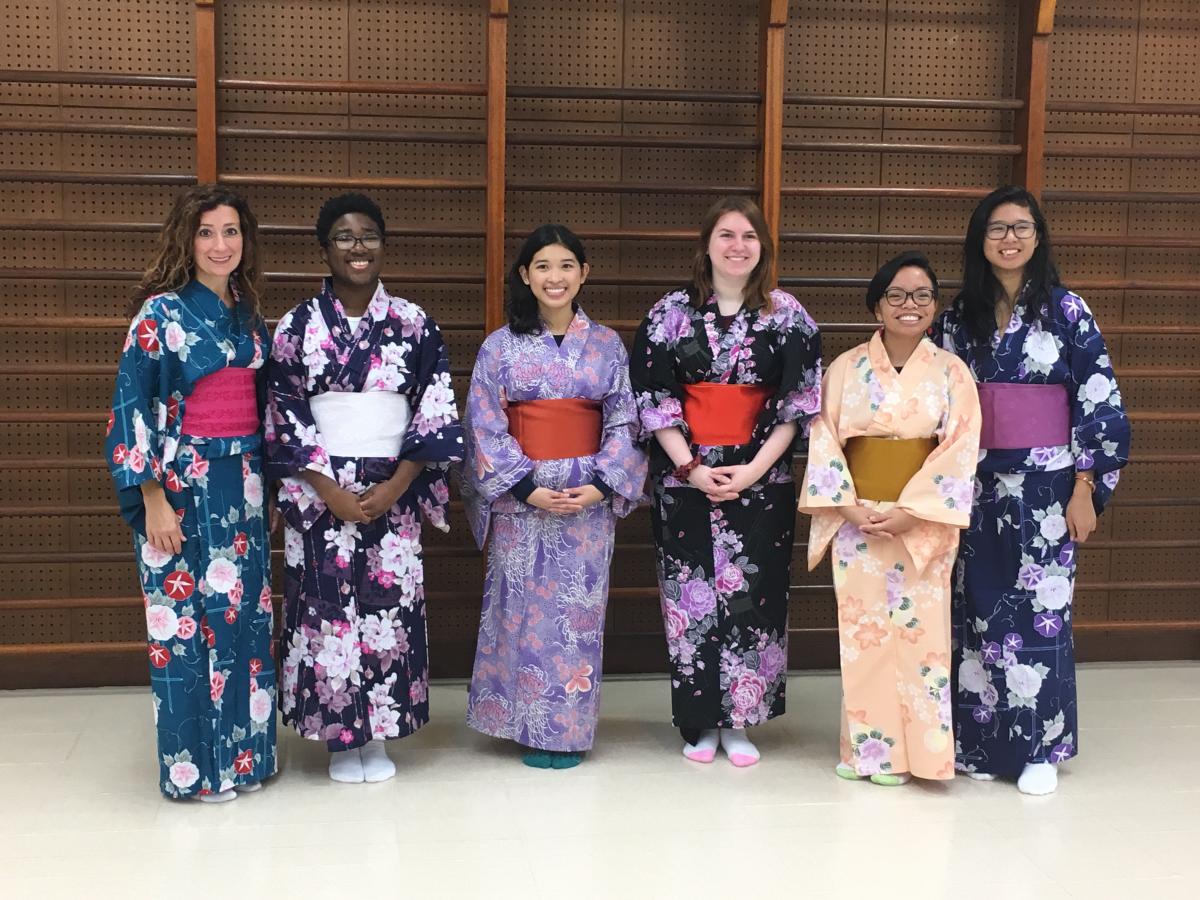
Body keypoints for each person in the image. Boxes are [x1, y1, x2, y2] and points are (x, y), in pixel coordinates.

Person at [264, 193, 462, 784]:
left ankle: (379, 734)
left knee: (389, 611)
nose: (358, 247)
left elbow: (434, 411)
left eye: (369, 235)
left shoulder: (414, 322)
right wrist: (328, 489)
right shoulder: (297, 326)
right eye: (344, 237)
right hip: (319, 491)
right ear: (324, 248)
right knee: (323, 613)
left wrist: (400, 483)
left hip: (391, 487)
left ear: (383, 243)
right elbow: (285, 413)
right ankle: (338, 739)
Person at [938, 185, 1130, 795]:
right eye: (997, 228)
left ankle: (1042, 747)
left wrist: (1086, 485)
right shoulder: (955, 317)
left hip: (1050, 488)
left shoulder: (1068, 311)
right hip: (974, 486)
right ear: (980, 240)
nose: (1010, 238)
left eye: (1021, 227)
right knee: (976, 613)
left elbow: (1098, 401)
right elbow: (937, 406)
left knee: (1043, 613)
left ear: (1039, 236)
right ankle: (978, 742)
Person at [631, 196, 822, 767]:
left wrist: (755, 470)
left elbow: (797, 406)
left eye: (749, 236)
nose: (738, 246)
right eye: (726, 235)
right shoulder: (669, 313)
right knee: (688, 601)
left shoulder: (789, 316)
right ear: (706, 243)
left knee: (754, 601)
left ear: (763, 247)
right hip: (684, 477)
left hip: (761, 479)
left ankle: (741, 720)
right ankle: (700, 721)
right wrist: (690, 466)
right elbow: (654, 399)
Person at [106, 185, 276, 802]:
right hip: (182, 481)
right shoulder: (160, 314)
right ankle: (197, 770)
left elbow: (261, 407)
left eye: (231, 231)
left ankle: (244, 761)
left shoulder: (248, 310)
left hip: (245, 482)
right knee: (185, 626)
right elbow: (133, 406)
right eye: (207, 232)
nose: (220, 244)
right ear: (187, 239)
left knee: (244, 622)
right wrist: (150, 493)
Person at [462, 225, 646, 769]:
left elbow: (625, 420)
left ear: (583, 273)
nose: (555, 277)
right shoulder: (499, 346)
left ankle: (565, 729)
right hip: (522, 499)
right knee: (517, 610)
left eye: (566, 265)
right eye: (542, 266)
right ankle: (520, 723)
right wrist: (525, 487)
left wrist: (602, 484)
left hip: (587, 498)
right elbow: (484, 425)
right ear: (525, 275)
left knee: (577, 616)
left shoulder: (608, 345)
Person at [799, 252, 981, 786]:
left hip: (920, 523)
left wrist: (910, 511)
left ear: (935, 306)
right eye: (897, 295)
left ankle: (924, 756)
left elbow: (960, 447)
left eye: (922, 295)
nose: (910, 305)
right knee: (865, 639)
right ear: (877, 303)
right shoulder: (845, 368)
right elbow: (825, 440)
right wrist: (849, 505)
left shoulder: (951, 372)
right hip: (857, 517)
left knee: (923, 643)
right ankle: (869, 754)